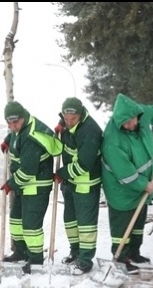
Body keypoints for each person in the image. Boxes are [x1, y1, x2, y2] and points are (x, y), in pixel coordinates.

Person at [101, 93, 153, 274]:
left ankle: (134, 253)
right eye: (125, 124)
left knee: (137, 223)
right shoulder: (112, 140)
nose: (130, 125)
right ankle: (120, 257)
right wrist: (144, 184)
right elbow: (124, 173)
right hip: (121, 189)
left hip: (141, 187)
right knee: (122, 226)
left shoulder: (143, 114)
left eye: (131, 121)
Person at [0, 101, 63, 274]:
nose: (13, 127)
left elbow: (27, 171)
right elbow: (16, 135)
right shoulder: (21, 128)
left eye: (16, 123)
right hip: (24, 186)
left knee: (31, 227)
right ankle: (20, 252)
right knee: (16, 221)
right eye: (10, 124)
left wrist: (10, 184)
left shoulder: (31, 138)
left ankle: (35, 260)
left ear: (23, 117)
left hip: (35, 185)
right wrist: (7, 140)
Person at [53, 97, 103, 275]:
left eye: (72, 119)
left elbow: (84, 165)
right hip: (71, 183)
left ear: (80, 115)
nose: (68, 122)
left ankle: (85, 260)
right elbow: (64, 125)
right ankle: (75, 252)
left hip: (86, 183)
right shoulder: (67, 124)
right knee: (71, 221)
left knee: (86, 224)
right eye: (65, 118)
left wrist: (62, 173)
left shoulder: (90, 130)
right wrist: (61, 126)